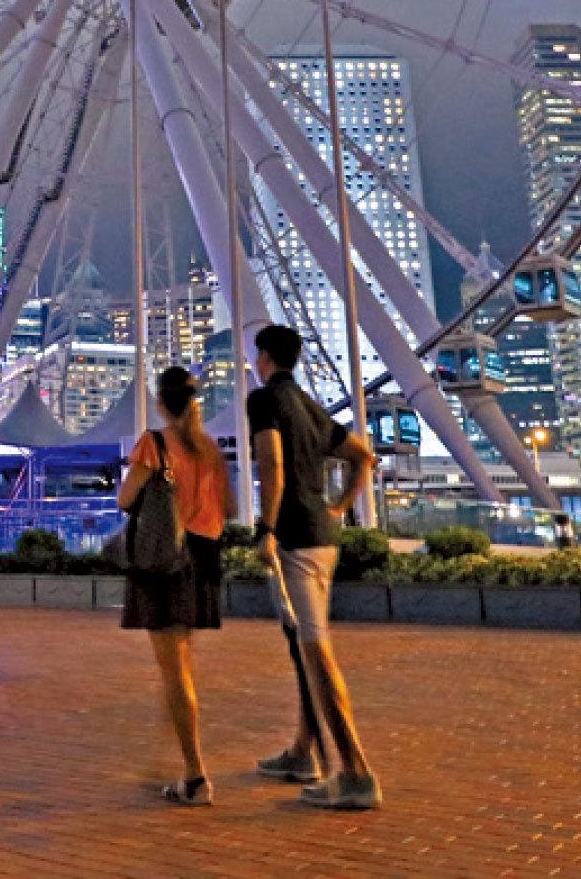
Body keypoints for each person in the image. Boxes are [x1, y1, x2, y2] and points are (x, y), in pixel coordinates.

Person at [248, 323, 383, 812]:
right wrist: (340, 506)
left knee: (316, 652)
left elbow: (271, 465)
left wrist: (266, 527)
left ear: (264, 357)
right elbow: (363, 456)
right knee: (303, 645)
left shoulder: (264, 400)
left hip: (294, 538)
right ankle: (304, 751)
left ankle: (356, 772)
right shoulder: (309, 405)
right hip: (324, 537)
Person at [118, 365, 235, 807]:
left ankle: (195, 774)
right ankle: (177, 751)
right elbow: (229, 507)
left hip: (166, 560)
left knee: (175, 672)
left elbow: (125, 499)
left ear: (162, 403)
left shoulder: (154, 443)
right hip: (203, 558)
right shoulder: (209, 449)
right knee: (179, 667)